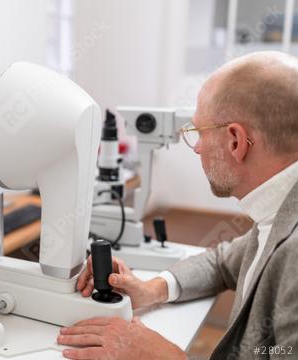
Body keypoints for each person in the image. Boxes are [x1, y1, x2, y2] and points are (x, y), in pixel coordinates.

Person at [57, 51, 298, 359]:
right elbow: (223, 262)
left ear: (236, 141)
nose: (196, 147)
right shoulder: (279, 211)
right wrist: (152, 289)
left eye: (199, 132)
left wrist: (166, 356)